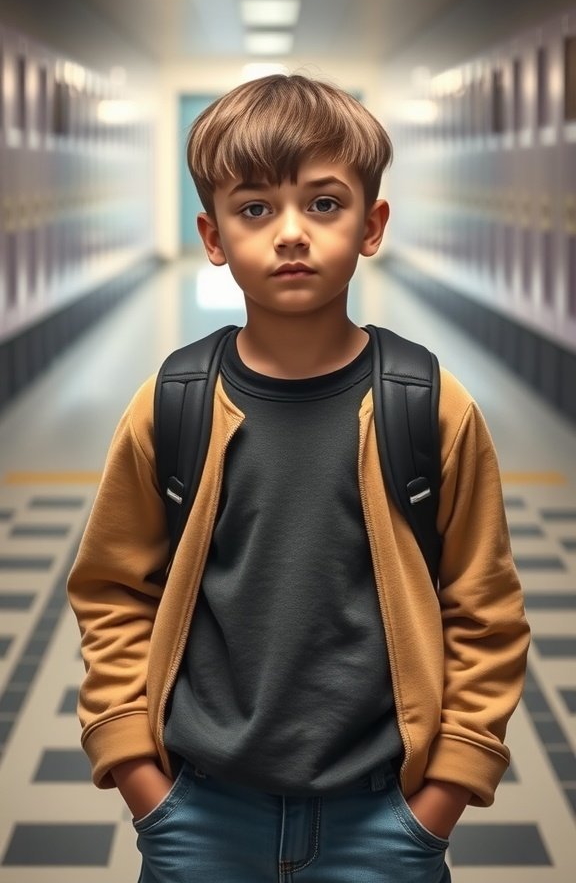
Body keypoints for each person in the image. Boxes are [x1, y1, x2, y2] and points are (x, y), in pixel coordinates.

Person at [67, 73, 529, 883]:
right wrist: (143, 782)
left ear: (371, 224)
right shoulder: (172, 404)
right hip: (200, 815)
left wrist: (441, 800)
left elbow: (484, 610)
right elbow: (112, 592)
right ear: (213, 236)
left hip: (383, 820)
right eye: (255, 209)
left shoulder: (430, 406)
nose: (290, 234)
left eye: (323, 204)